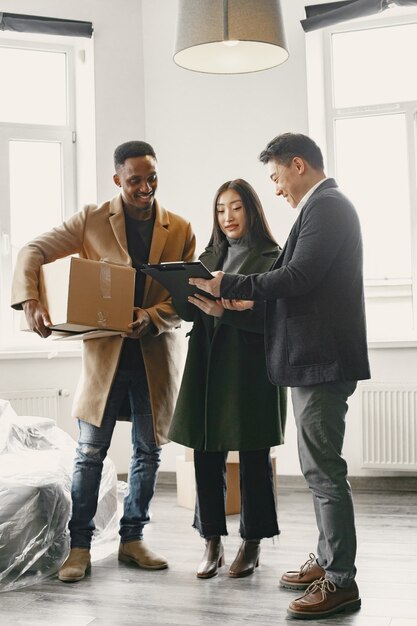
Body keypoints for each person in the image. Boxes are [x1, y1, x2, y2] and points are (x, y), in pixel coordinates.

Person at [189, 133, 370, 619]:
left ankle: (340, 581)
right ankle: (328, 561)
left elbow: (297, 277)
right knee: (318, 470)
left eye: (276, 177)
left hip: (322, 359)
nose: (276, 188)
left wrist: (230, 284)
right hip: (314, 358)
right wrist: (248, 300)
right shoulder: (321, 208)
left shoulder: (328, 207)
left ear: (297, 165)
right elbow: (299, 283)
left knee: (323, 472)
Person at [11, 140, 196, 583]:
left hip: (154, 357)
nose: (146, 187)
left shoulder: (181, 228)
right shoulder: (92, 218)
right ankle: (80, 548)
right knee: (90, 452)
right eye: (135, 180)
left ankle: (133, 539)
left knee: (148, 453)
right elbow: (32, 251)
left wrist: (151, 318)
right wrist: (30, 299)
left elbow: (187, 297)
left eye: (152, 178)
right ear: (118, 179)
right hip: (104, 359)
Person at [168, 179, 287, 580]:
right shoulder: (209, 254)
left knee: (254, 454)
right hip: (208, 362)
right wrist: (177, 289)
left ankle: (252, 541)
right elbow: (190, 313)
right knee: (206, 450)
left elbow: (276, 319)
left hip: (251, 365)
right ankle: (212, 541)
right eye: (221, 209)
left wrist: (227, 313)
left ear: (251, 210)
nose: (228, 217)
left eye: (236, 208)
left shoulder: (273, 256)